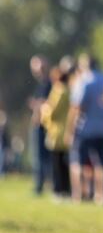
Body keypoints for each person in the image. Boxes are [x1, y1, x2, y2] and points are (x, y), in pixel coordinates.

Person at [65, 54, 103, 204]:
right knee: (102, 164)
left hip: (85, 128)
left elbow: (77, 106)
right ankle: (101, 195)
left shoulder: (83, 81)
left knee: (77, 162)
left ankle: (78, 195)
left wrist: (70, 129)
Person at [40, 65, 73, 199]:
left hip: (58, 131)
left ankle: (59, 190)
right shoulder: (69, 90)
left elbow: (53, 112)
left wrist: (44, 110)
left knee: (58, 164)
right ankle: (65, 189)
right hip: (65, 130)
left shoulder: (59, 91)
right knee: (64, 163)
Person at [28, 55, 52, 195]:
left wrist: (36, 104)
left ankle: (41, 185)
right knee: (38, 157)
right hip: (38, 124)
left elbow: (46, 103)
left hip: (43, 125)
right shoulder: (41, 84)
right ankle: (40, 183)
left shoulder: (48, 83)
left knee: (41, 157)